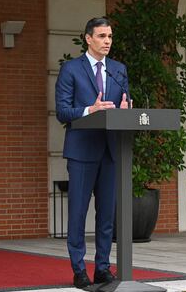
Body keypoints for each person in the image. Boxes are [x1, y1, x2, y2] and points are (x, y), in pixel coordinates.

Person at [55, 17, 130, 289]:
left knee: (106, 214)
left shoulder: (119, 70)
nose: (107, 41)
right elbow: (63, 112)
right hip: (82, 150)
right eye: (101, 36)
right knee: (77, 213)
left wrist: (125, 110)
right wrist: (90, 110)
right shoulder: (70, 69)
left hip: (111, 150)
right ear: (88, 38)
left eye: (110, 36)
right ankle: (78, 270)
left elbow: (124, 102)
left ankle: (102, 268)